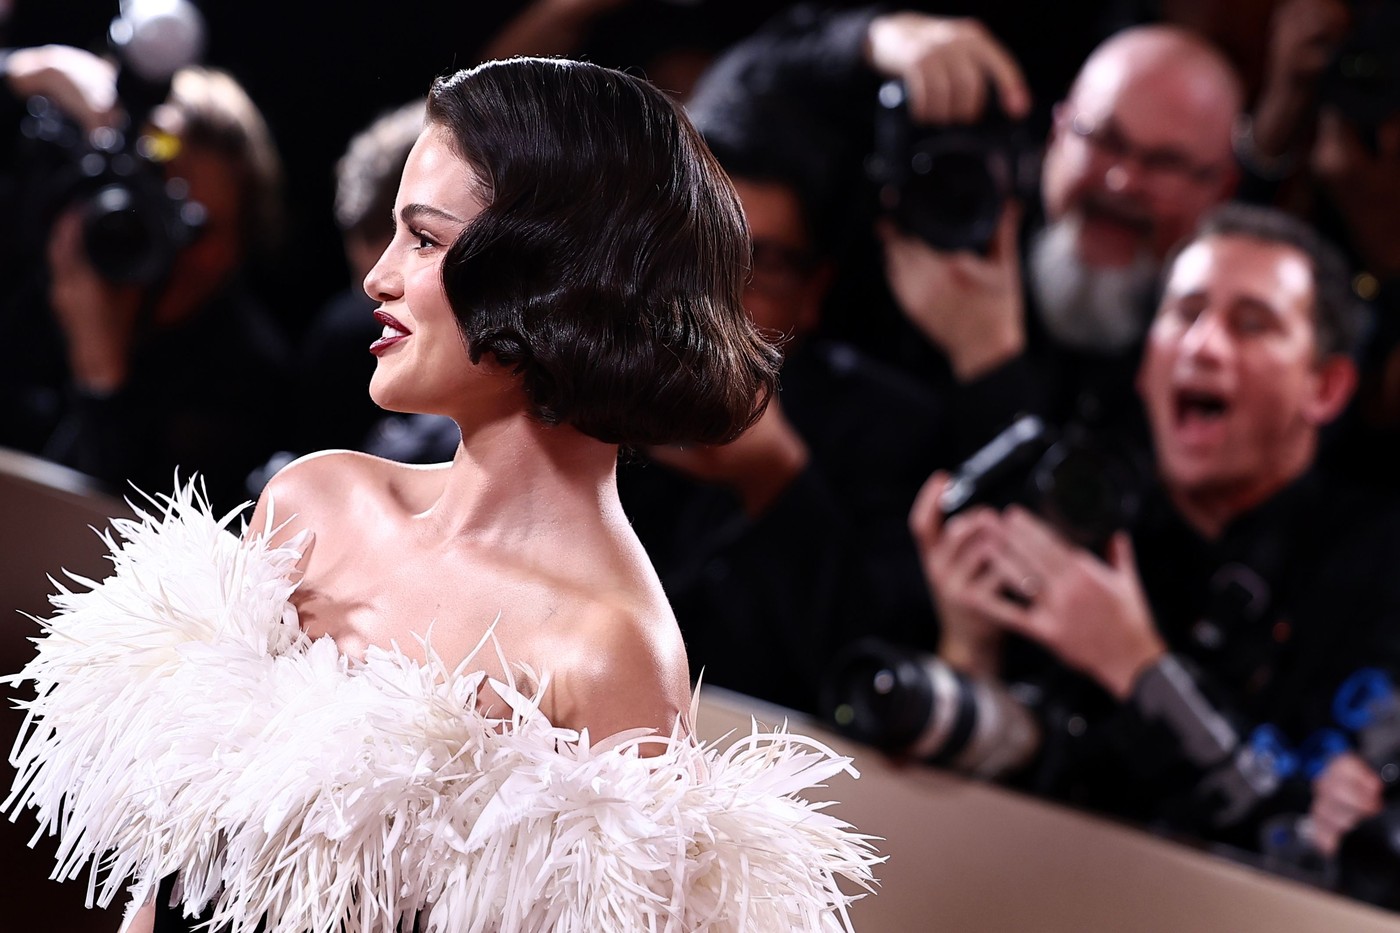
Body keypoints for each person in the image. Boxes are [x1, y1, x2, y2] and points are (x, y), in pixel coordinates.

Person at [7, 58, 879, 933]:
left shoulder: (610, 654)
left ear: (552, 276)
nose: (377, 278)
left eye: (423, 239)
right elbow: (168, 874)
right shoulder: (314, 505)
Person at [909, 203, 1400, 898]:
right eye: (1184, 313)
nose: (1203, 345)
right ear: (1145, 366)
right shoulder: (1078, 518)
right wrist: (970, 644)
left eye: (1251, 323)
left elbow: (1330, 861)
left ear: (1327, 386)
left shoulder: (1381, 563)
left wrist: (1137, 667)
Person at [0, 44, 292, 511]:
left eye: (197, 225)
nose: (173, 241)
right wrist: (25, 72)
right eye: (156, 203)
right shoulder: (50, 264)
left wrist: (102, 372)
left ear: (241, 246)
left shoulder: (246, 376)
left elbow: (115, 545)